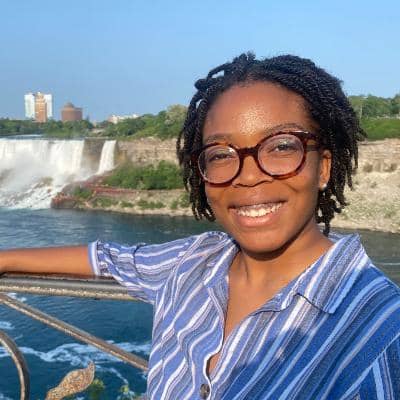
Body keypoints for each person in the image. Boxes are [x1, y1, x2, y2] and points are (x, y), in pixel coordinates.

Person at [1, 53, 400, 399]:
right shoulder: (192, 262)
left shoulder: (382, 337)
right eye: (221, 154)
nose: (248, 176)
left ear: (324, 167)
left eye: (281, 146)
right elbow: (106, 258)